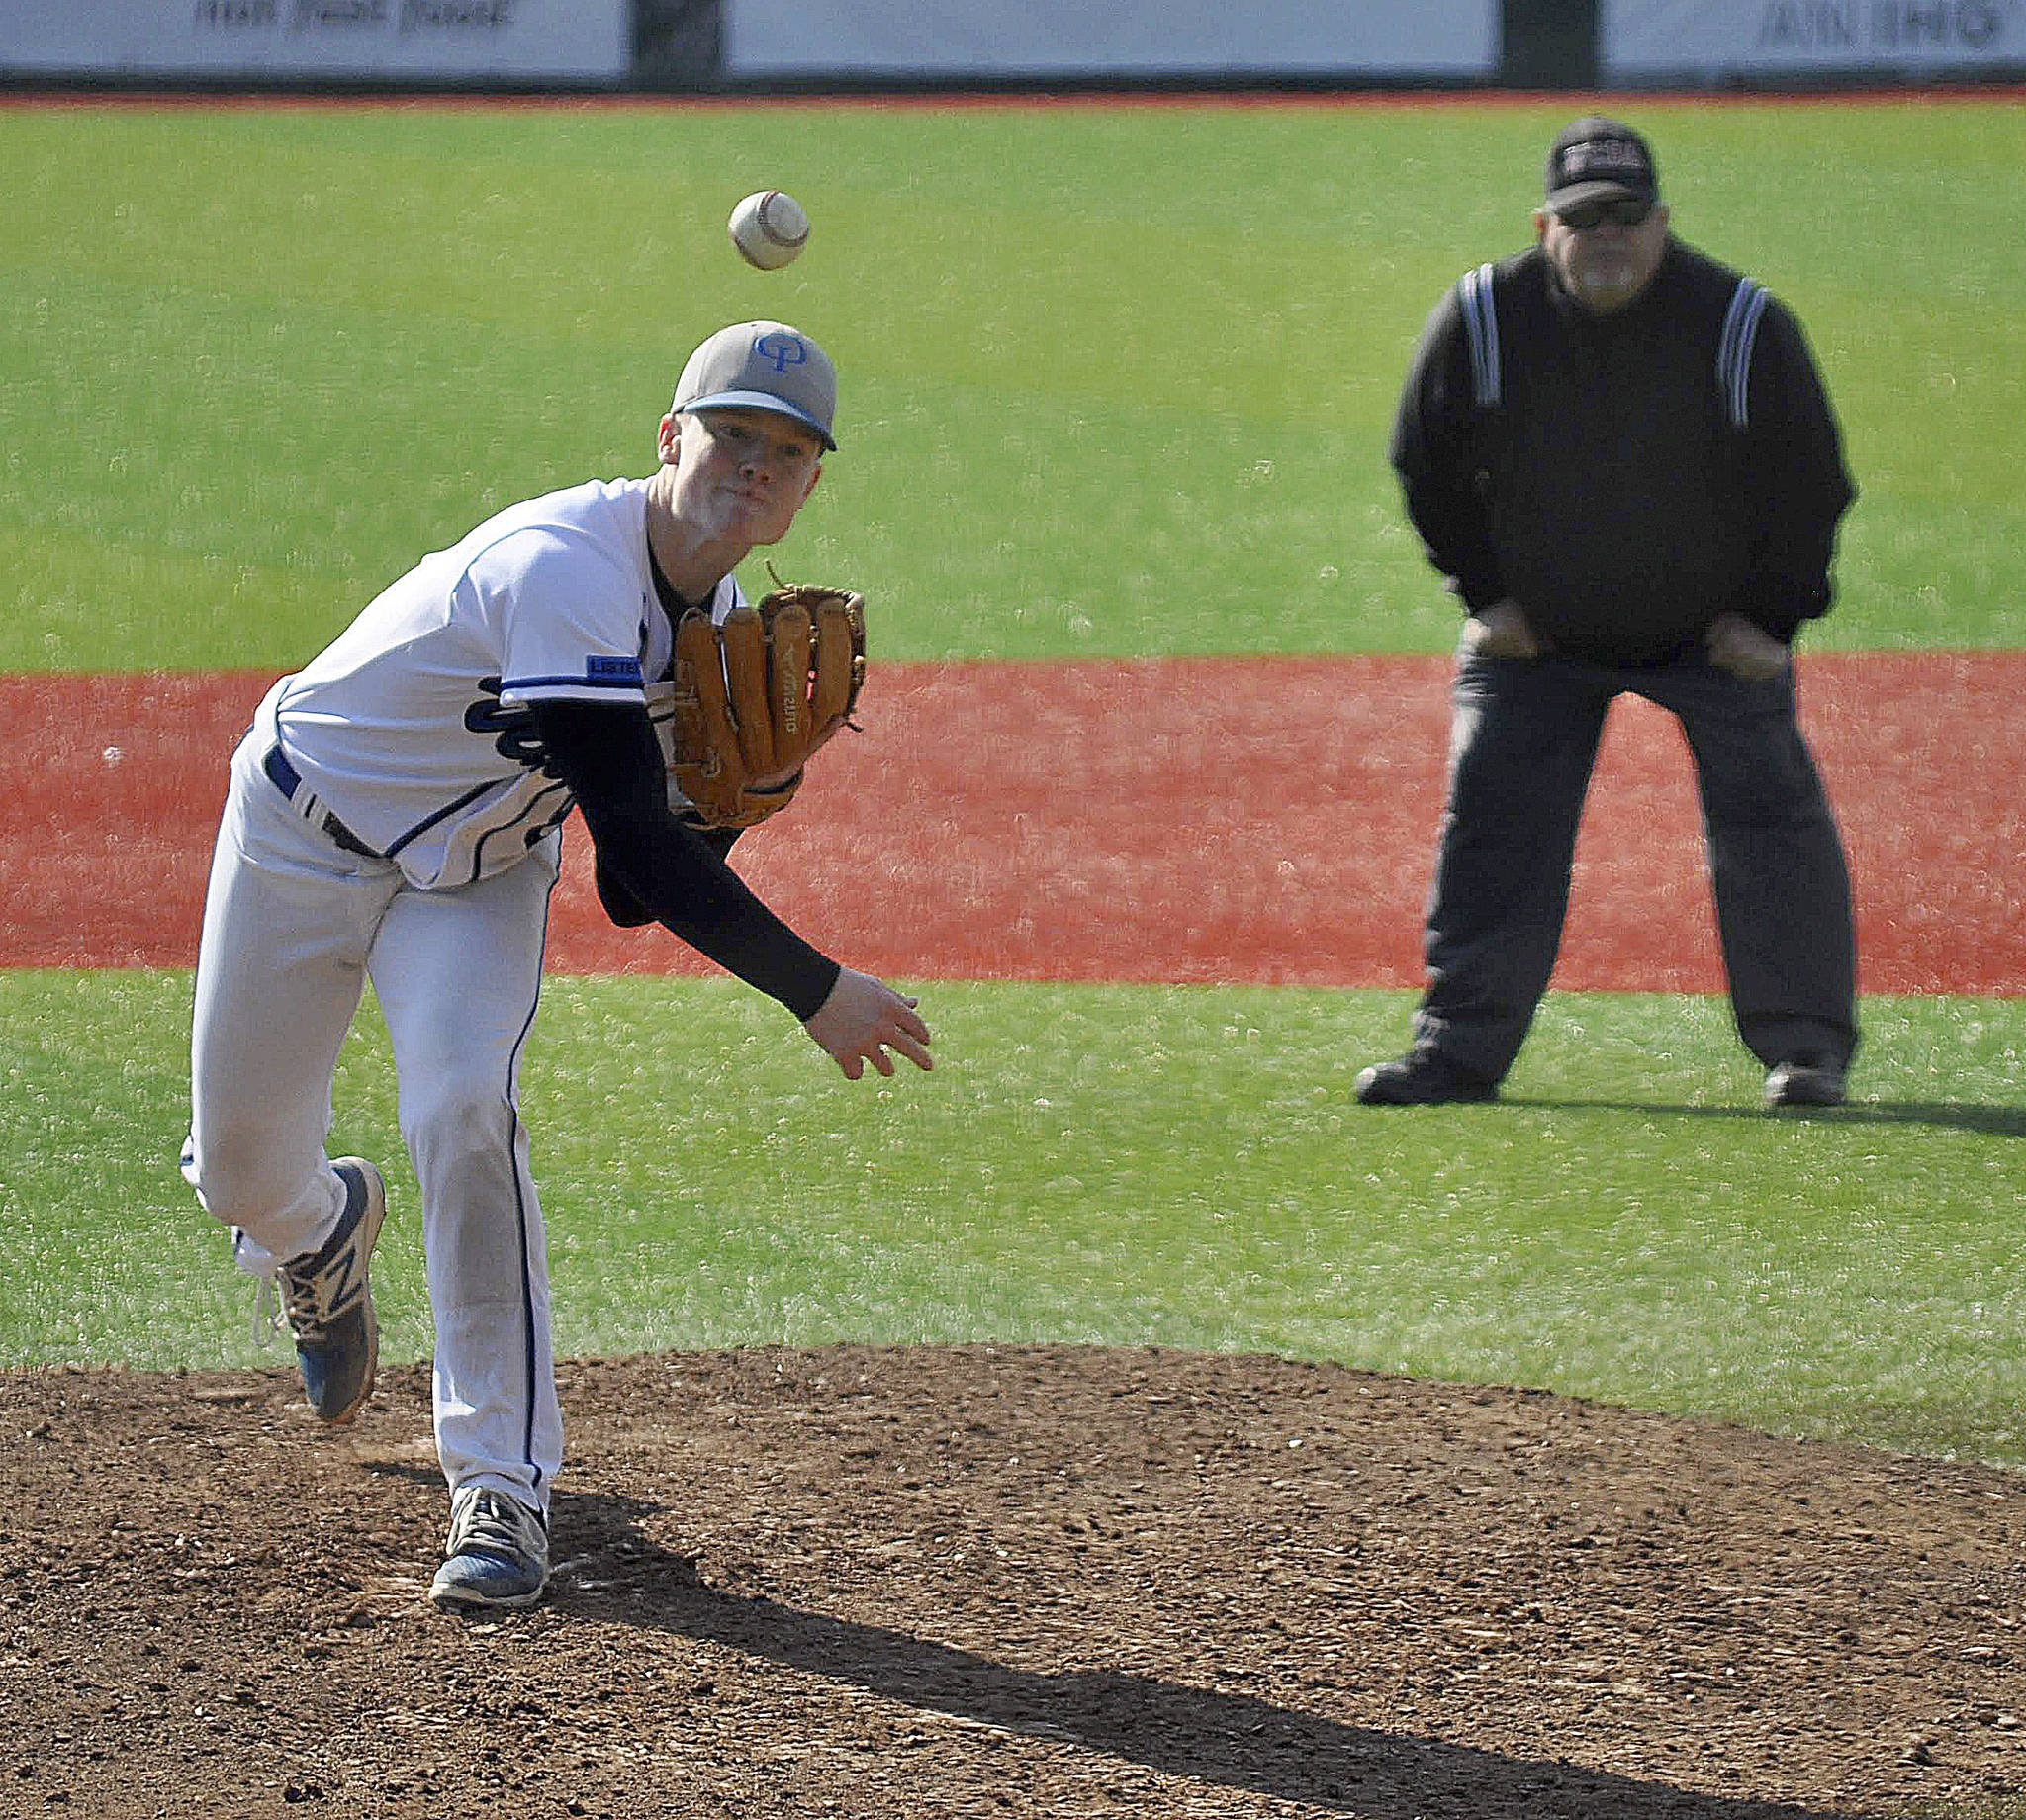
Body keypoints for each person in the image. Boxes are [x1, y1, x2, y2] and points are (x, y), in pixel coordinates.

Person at [180, 321, 932, 1612]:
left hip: (472, 884)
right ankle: (319, 1231)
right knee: (242, 1170)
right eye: (732, 435)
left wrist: (736, 804)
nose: (755, 465)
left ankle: (501, 1490)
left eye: (788, 452)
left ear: (813, 485)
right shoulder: (564, 568)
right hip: (304, 834)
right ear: (669, 438)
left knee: (467, 1111)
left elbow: (634, 894)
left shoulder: (728, 622)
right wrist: (820, 989)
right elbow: (635, 835)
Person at [1359, 118, 1858, 1113]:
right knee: (1492, 828)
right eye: (1585, 221)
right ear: (1545, 226)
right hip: (1536, 637)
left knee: (1772, 829)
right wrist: (1483, 595)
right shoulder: (1483, 315)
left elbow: (1808, 480)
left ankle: (1805, 1053)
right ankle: (1455, 1052)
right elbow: (1424, 459)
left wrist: (1771, 618)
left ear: (1662, 221)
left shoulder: (1739, 321)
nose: (1608, 239)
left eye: (1627, 217)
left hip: (1714, 637)